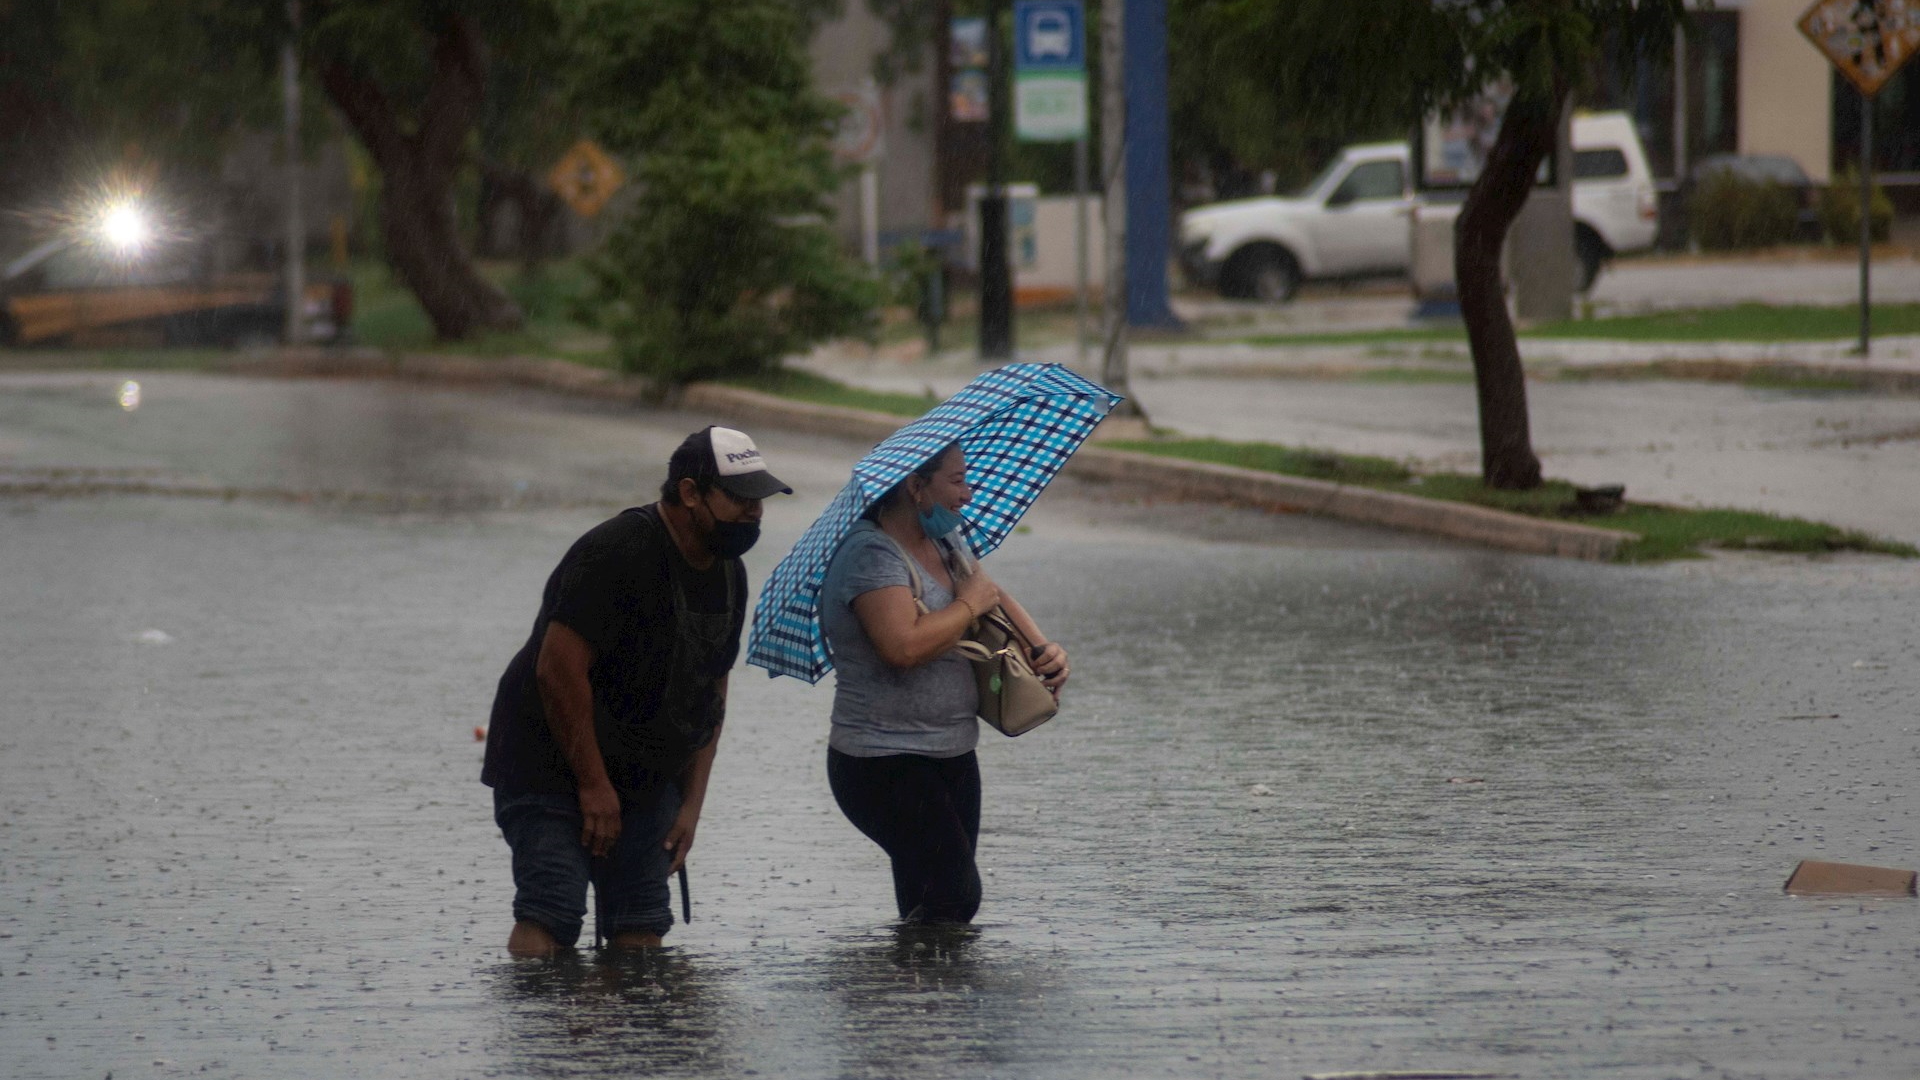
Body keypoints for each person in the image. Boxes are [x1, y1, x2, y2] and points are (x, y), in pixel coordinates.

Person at [482, 426, 792, 957]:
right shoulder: (614, 553)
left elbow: (711, 693)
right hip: (547, 762)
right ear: (690, 493)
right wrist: (593, 786)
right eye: (739, 499)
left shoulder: (728, 575)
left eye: (759, 500)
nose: (754, 513)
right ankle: (540, 1035)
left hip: (646, 774)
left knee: (642, 928)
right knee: (552, 910)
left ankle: (638, 1039)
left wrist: (691, 805)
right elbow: (556, 671)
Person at [819, 443, 1069, 924]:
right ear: (915, 487)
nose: (968, 495)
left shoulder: (946, 540)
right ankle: (901, 990)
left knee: (931, 901)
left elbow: (989, 591)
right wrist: (968, 606)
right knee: (955, 894)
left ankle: (910, 996)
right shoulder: (870, 555)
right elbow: (903, 647)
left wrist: (1041, 648)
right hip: (882, 760)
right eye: (956, 481)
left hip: (952, 753)